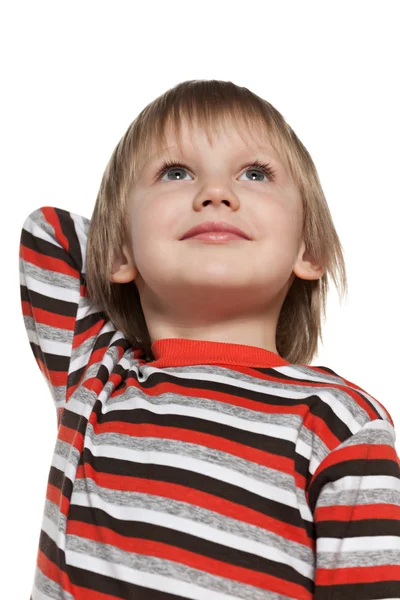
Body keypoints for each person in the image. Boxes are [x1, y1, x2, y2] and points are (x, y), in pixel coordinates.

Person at [19, 79, 400, 600]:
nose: (216, 193)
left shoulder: (338, 422)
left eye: (255, 173)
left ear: (309, 251)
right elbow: (48, 233)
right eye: (176, 173)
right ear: (118, 256)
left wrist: (140, 240)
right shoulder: (95, 372)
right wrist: (120, 243)